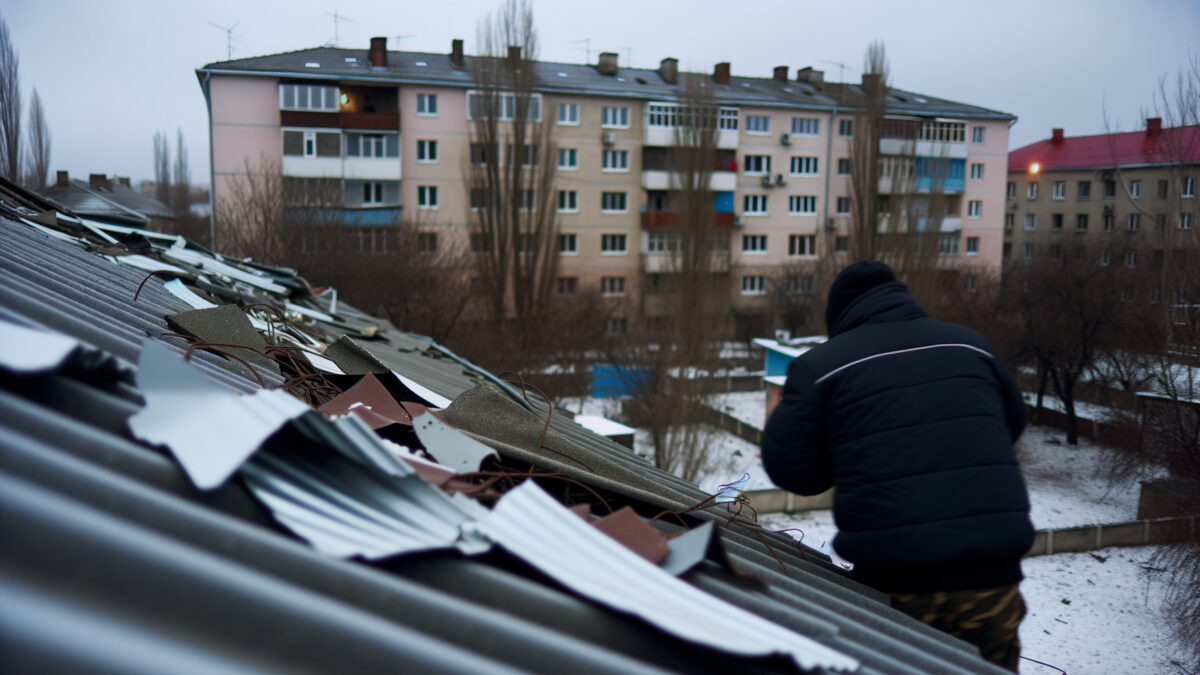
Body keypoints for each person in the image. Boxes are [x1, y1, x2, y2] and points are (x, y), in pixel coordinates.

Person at [762, 261, 1033, 672]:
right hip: (991, 581)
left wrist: (857, 454)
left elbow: (790, 470)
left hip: (896, 585)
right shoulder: (971, 346)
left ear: (840, 316)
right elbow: (1011, 423)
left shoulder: (824, 365)